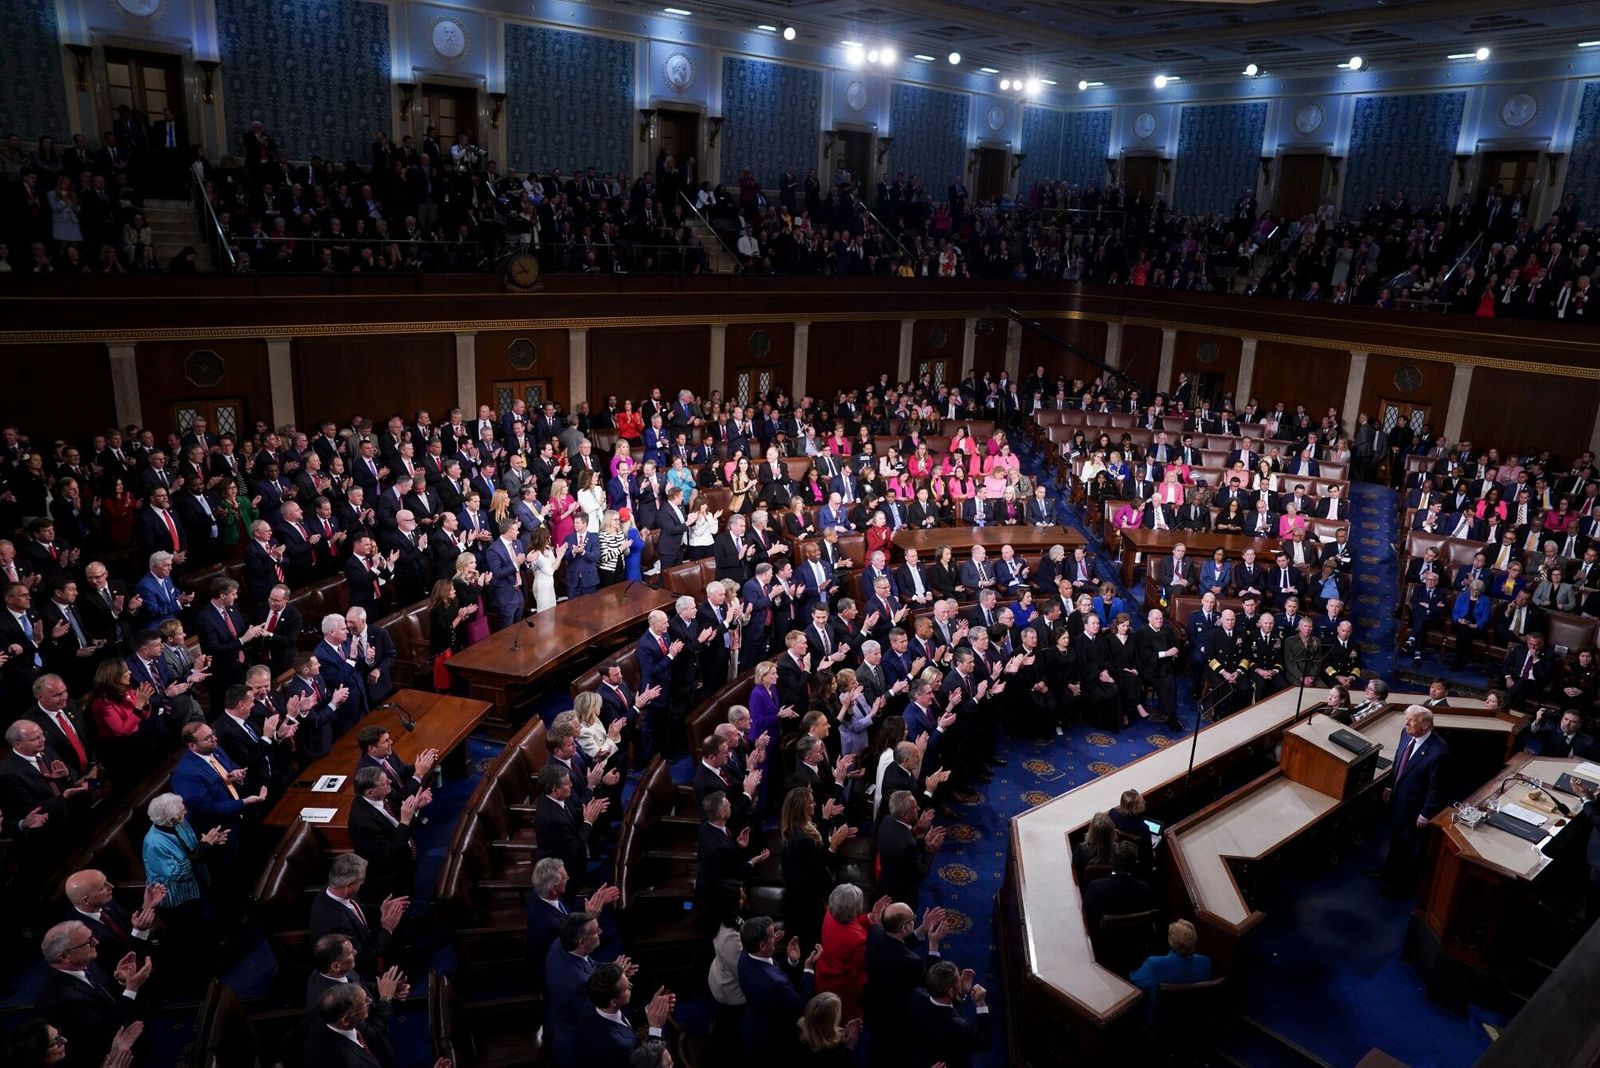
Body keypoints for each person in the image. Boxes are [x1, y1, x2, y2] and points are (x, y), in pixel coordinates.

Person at [35, 920, 151, 1068]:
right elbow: (105, 1031)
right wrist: (132, 988)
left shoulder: (83, 961)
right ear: (64, 957)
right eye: (88, 942)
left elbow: (101, 996)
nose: (96, 942)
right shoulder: (62, 999)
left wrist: (119, 979)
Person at [1368, 706, 1448, 898]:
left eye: (1411, 721)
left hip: (1416, 809)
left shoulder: (1439, 752)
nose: (1406, 724)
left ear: (1426, 725)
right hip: (1399, 800)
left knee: (1410, 849)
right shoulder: (1406, 734)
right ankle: (1387, 872)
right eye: (1406, 719)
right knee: (1396, 840)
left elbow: (1437, 788)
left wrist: (1426, 813)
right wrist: (1389, 786)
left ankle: (1400, 888)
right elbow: (1398, 760)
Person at [905, 958, 991, 1068]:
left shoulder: (916, 995)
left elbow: (943, 1005)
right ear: (950, 991)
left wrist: (961, 993)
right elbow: (984, 1042)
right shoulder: (959, 1026)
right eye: (959, 979)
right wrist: (981, 1003)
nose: (961, 978)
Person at [1129, 919, 1213, 1025]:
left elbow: (1133, 981)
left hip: (1157, 1023)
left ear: (1171, 941)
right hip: (1190, 1022)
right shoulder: (1206, 962)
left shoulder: (1154, 964)